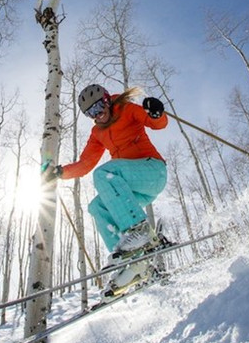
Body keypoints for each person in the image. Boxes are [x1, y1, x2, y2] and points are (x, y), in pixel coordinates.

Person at [45, 84, 168, 264]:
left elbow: (156, 124)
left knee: (104, 173)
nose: (97, 114)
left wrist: (156, 114)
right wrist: (60, 173)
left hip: (153, 172)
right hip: (132, 190)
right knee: (97, 206)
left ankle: (138, 230)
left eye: (99, 106)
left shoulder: (126, 109)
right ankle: (128, 259)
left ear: (107, 100)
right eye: (91, 112)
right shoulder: (97, 133)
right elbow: (85, 164)